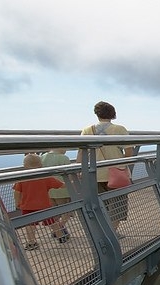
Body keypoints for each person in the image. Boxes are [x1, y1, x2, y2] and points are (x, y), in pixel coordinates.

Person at [82, 101, 133, 235]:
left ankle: (103, 233)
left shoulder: (87, 130)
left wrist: (80, 171)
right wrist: (124, 166)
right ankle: (112, 233)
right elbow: (129, 152)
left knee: (99, 206)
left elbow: (81, 154)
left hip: (95, 173)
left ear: (97, 114)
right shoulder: (119, 129)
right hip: (116, 174)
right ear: (113, 114)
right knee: (117, 206)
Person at [13, 154, 65, 251]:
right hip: (44, 205)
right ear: (41, 165)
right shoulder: (44, 177)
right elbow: (61, 185)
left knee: (30, 225)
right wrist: (72, 182)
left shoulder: (22, 178)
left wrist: (17, 203)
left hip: (27, 206)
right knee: (52, 222)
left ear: (24, 165)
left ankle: (31, 242)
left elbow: (17, 192)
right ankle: (61, 237)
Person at [41, 148, 72, 241]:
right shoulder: (64, 158)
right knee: (67, 211)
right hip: (62, 190)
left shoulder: (42, 157)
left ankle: (56, 230)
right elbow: (69, 174)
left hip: (48, 191)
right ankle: (61, 228)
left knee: (54, 213)